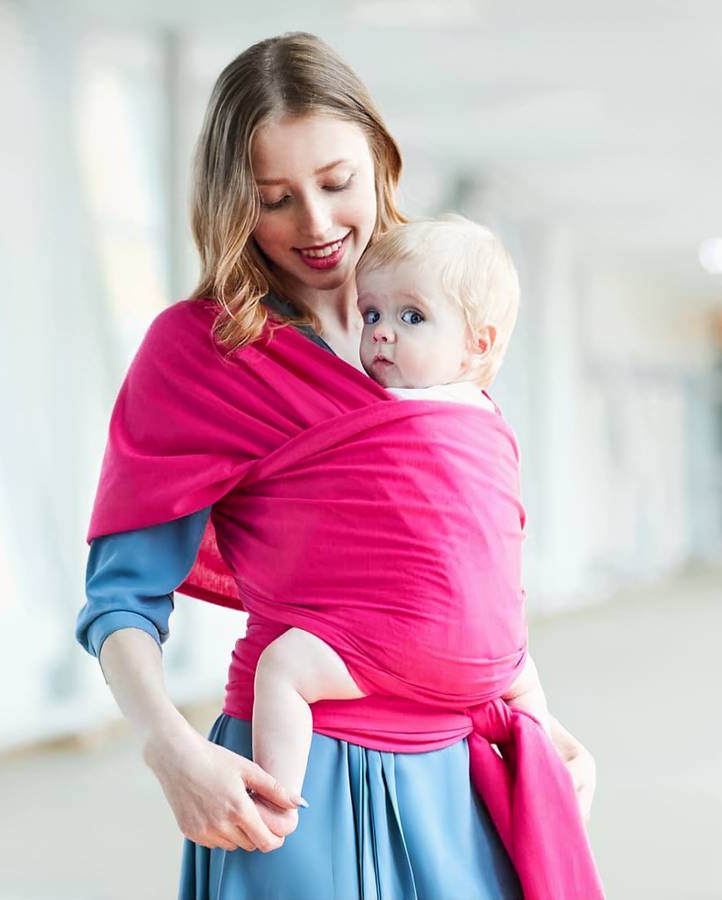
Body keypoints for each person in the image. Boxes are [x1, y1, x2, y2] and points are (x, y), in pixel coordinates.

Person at [75, 32, 600, 900]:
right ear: (231, 200)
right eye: (275, 198)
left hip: (459, 772)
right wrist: (169, 747)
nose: (315, 226)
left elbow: (461, 562)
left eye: (336, 183)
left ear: (380, 160)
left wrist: (544, 721)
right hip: (299, 773)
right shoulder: (199, 352)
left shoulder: (443, 323)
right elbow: (121, 598)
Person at [250, 215, 556, 839]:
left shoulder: (386, 415)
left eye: (411, 317)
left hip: (410, 642)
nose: (383, 334)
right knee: (529, 695)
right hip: (500, 658)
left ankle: (276, 803)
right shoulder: (494, 428)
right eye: (371, 315)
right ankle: (547, 770)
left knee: (281, 669)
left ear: (478, 342)